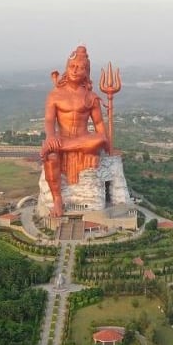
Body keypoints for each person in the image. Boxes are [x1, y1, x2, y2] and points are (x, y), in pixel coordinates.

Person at [40, 46, 111, 217]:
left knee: (100, 138)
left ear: (86, 72)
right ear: (67, 68)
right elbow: (49, 121)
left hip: (82, 139)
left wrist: (107, 145)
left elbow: (99, 123)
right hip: (62, 138)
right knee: (51, 156)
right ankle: (57, 199)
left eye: (80, 68)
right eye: (72, 66)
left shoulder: (91, 97)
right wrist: (51, 136)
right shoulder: (55, 95)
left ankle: (61, 146)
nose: (75, 70)